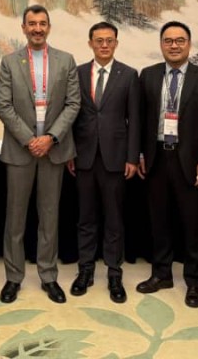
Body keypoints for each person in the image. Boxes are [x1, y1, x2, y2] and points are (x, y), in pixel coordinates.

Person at [0, 4, 80, 304]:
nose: (37, 29)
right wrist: (30, 140)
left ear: (49, 27)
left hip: (53, 150)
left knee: (49, 217)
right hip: (21, 150)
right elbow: (3, 105)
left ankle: (48, 276)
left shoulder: (65, 60)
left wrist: (51, 138)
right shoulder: (10, 62)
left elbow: (73, 104)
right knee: (15, 219)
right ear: (23, 28)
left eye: (42, 23)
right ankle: (13, 277)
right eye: (32, 24)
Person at [137, 20, 198, 308]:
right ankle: (161, 274)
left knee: (193, 224)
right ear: (161, 44)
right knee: (158, 220)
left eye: (180, 40)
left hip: (190, 161)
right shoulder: (148, 75)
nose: (174, 45)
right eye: (168, 41)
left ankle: (194, 282)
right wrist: (139, 154)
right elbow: (140, 120)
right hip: (157, 157)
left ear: (189, 44)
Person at [67, 21, 140, 304]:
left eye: (109, 40)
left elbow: (134, 120)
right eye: (99, 40)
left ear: (116, 43)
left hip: (116, 159)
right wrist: (69, 152)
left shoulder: (129, 75)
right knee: (85, 218)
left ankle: (114, 273)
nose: (104, 45)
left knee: (114, 219)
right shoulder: (77, 73)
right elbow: (70, 115)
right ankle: (85, 270)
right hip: (84, 157)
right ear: (90, 43)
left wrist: (132, 157)